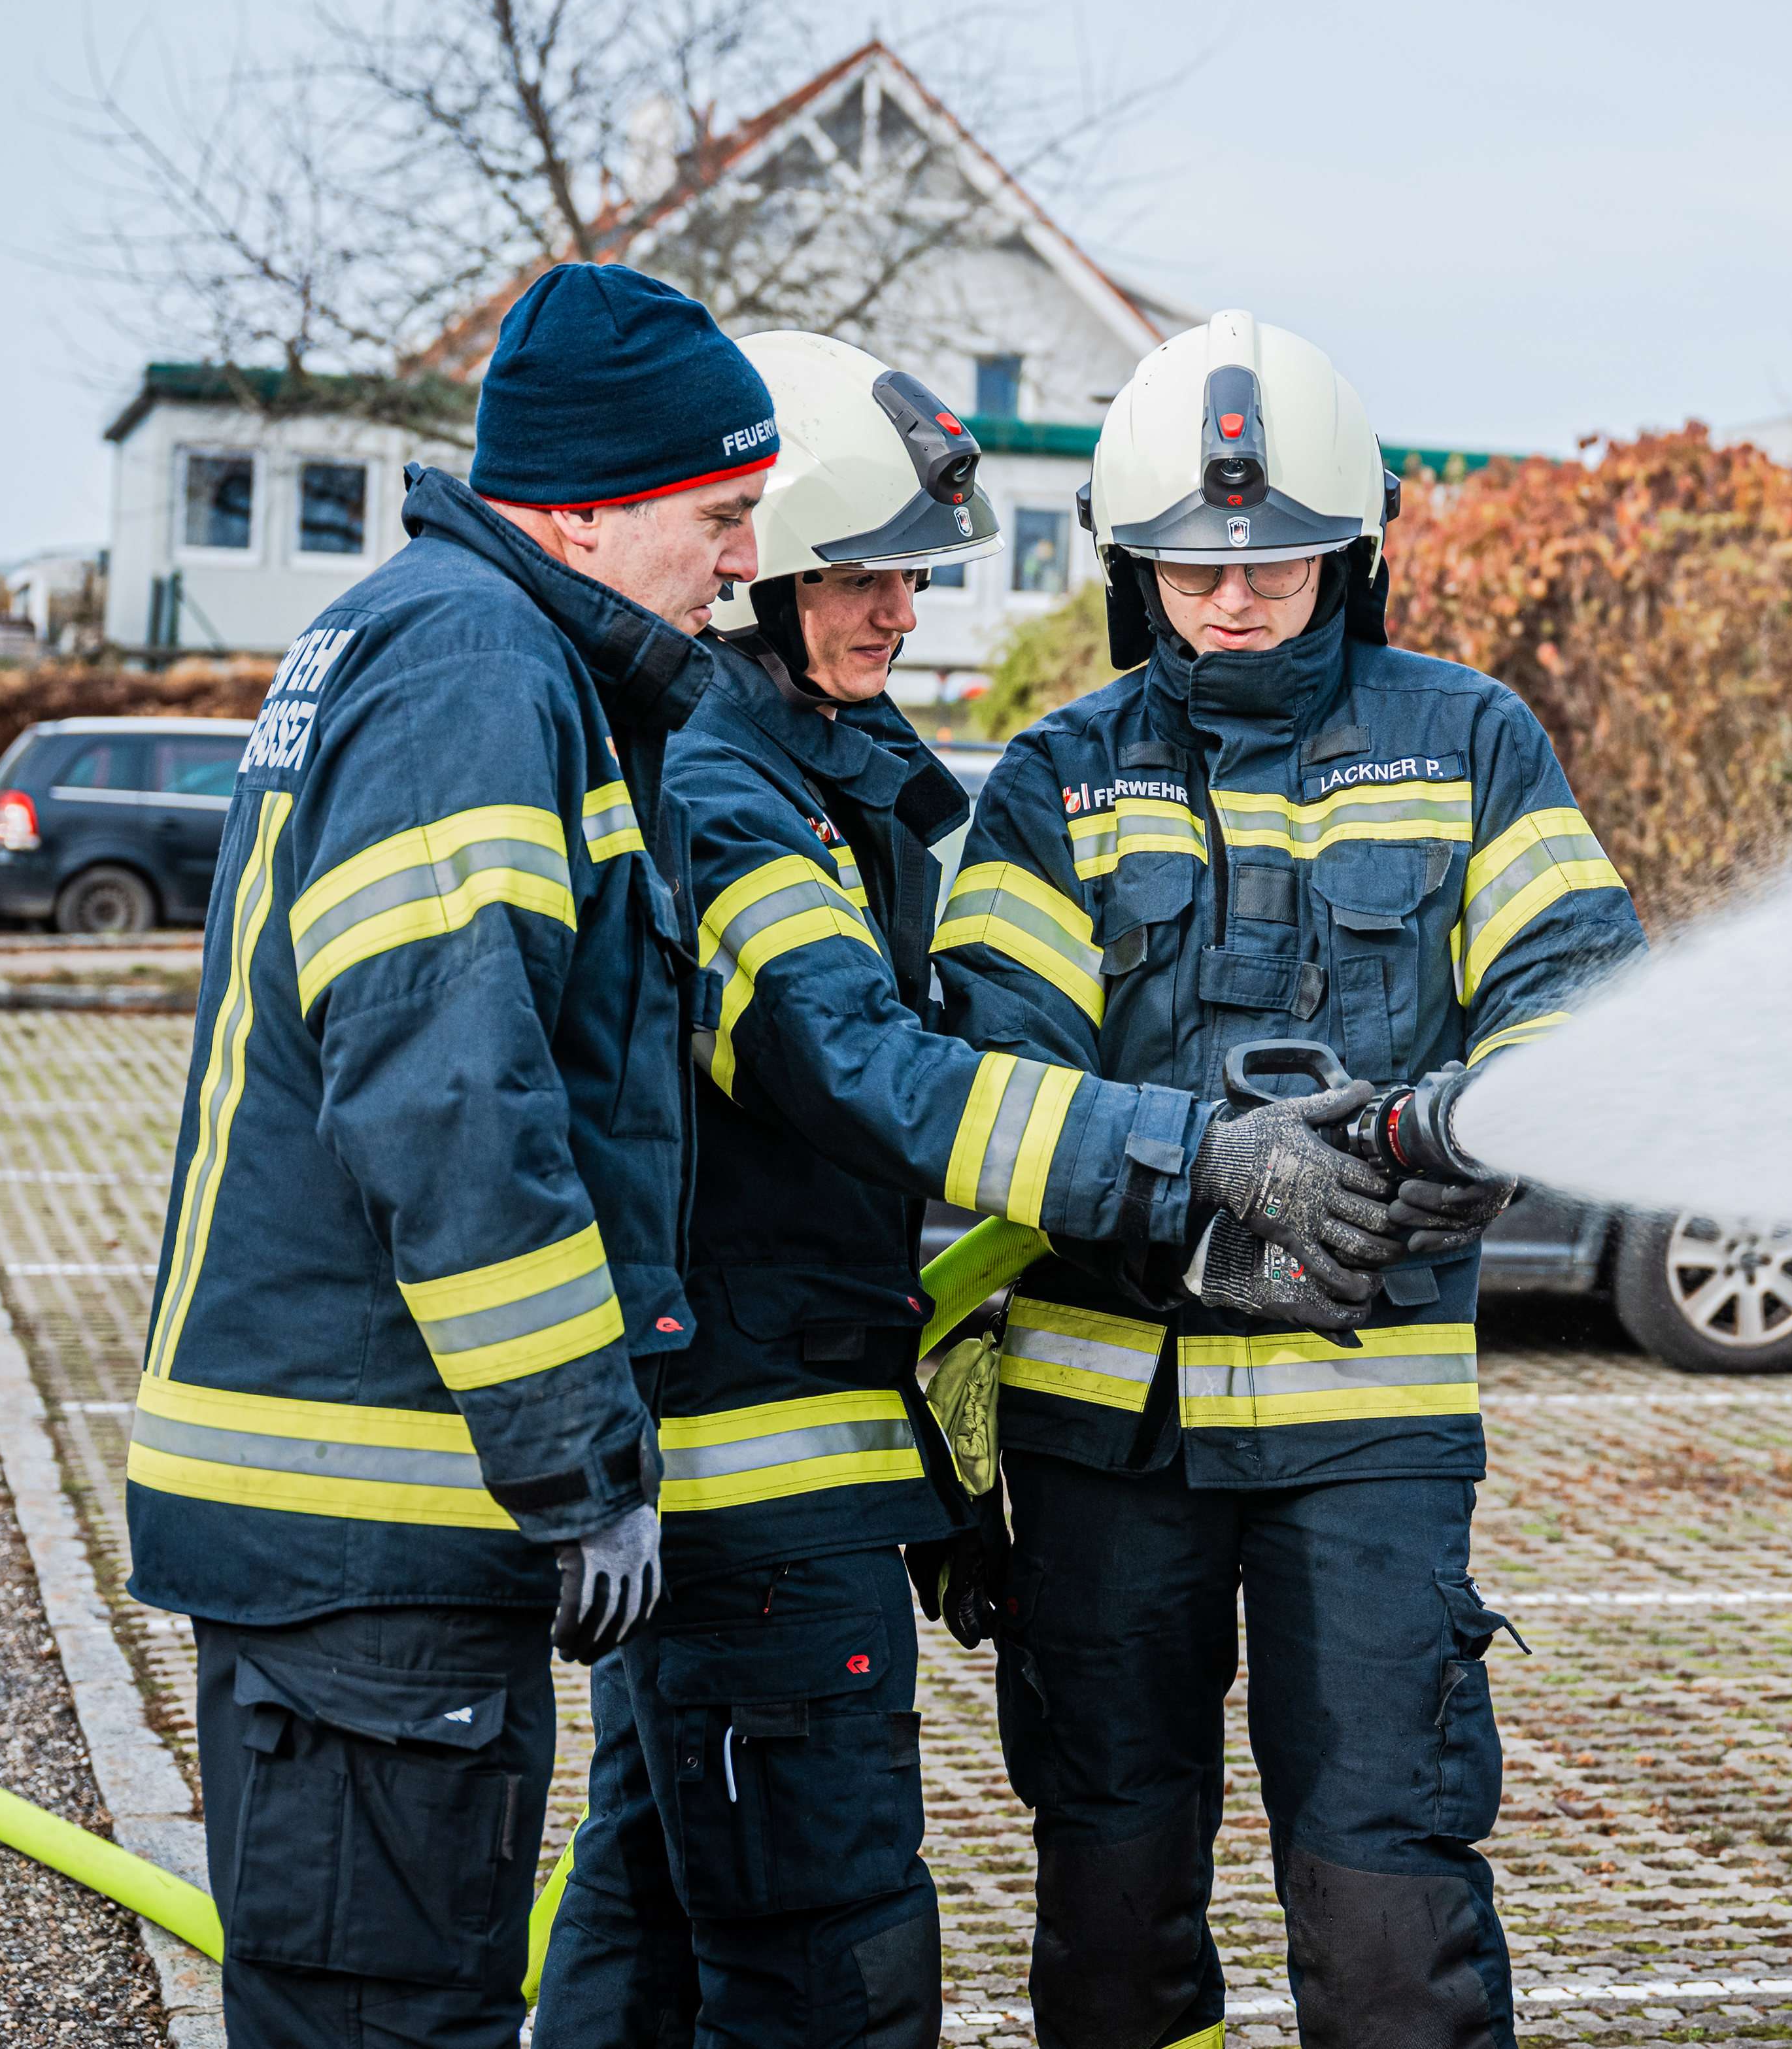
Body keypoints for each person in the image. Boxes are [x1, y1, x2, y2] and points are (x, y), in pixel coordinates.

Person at [533, 331, 1436, 2049]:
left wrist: (938, 1489)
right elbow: (865, 1073)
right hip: (766, 1528)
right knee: (831, 1975)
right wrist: (1194, 1158)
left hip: (744, 1494)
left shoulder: (793, 778)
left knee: (646, 1930)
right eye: (857, 573)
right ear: (751, 580)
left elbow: (800, 1205)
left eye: (909, 573)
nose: (899, 612)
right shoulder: (724, 799)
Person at [934, 313, 1648, 2049]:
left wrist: (1466, 1138)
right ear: (1133, 562)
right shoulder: (1053, 783)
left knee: (1394, 1901)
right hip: (1109, 1443)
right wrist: (1203, 1192)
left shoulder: (1470, 743)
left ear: (1350, 548)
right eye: (1191, 563)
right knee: (1111, 1915)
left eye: (1275, 558)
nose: (1235, 596)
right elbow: (999, 1085)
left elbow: (1583, 998)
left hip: (1368, 1433)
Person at [122, 262, 769, 2049]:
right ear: (583, 505)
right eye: (722, 517)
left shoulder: (445, 641)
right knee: (391, 2023)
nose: (741, 561)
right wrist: (580, 1465)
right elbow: (454, 1105)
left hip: (360, 1540)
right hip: (372, 1542)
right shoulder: (478, 672)